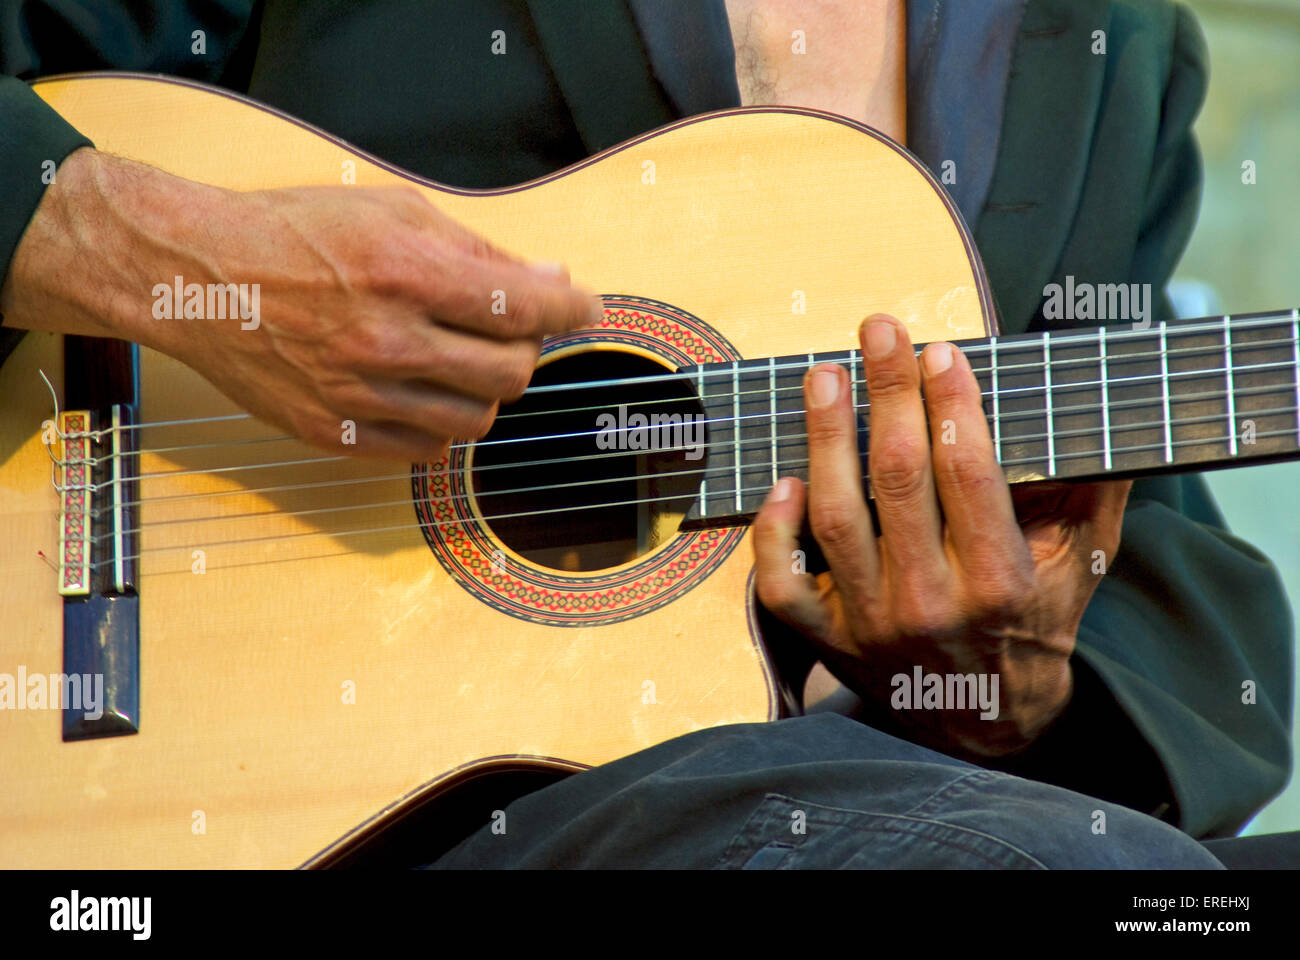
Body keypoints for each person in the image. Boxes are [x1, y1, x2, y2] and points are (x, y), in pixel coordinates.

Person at [0, 0, 1291, 868]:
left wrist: (1012, 691)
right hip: (283, 802)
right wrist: (172, 265)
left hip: (822, 798)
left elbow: (1140, 542)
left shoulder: (1118, 49)